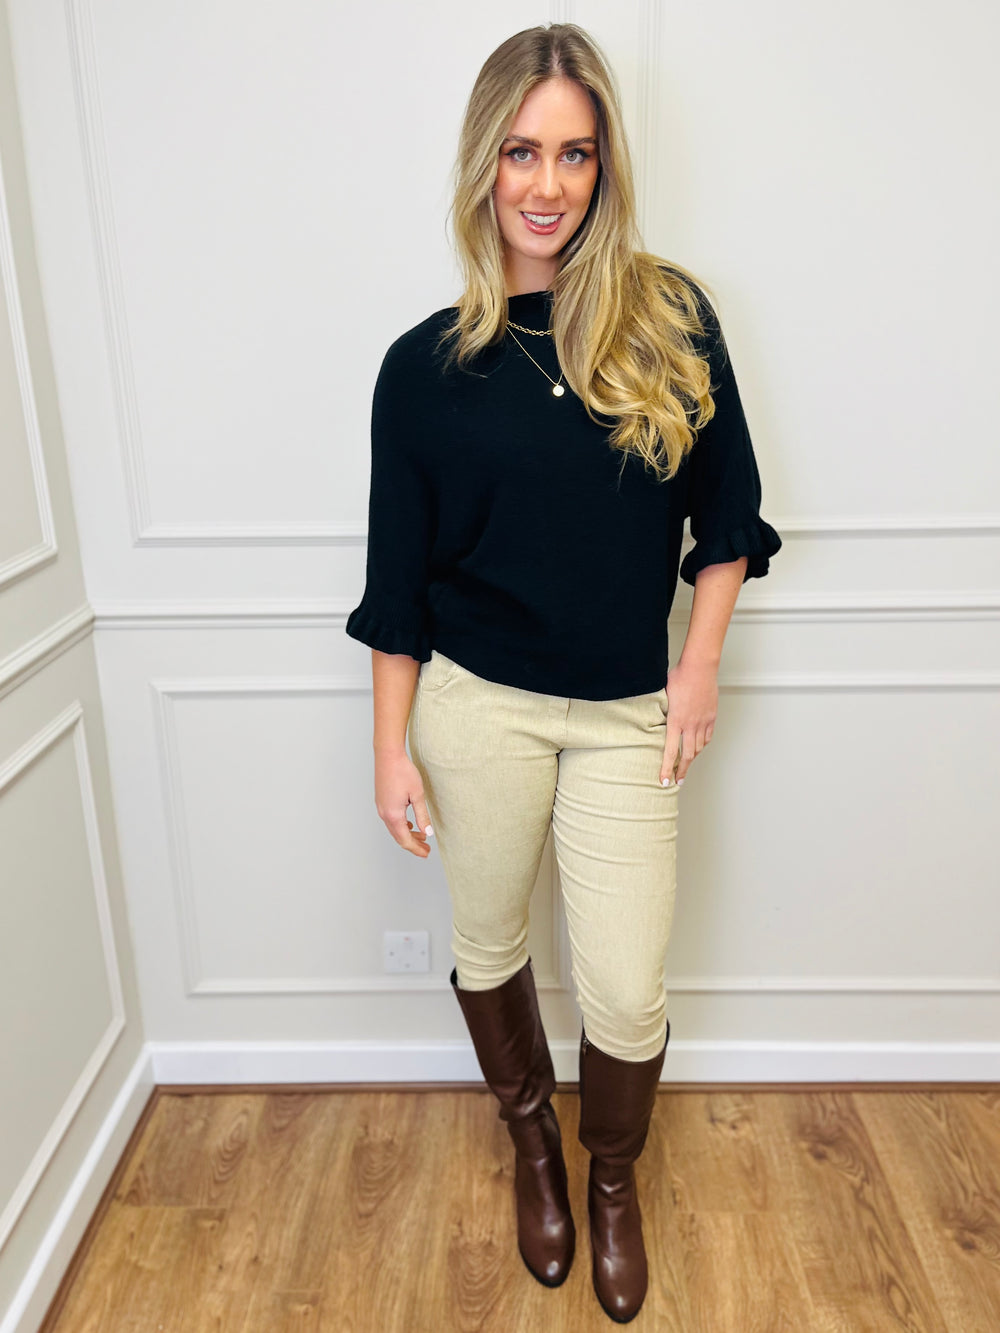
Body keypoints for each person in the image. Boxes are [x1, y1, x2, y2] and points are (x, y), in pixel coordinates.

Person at [346, 21, 781, 1325]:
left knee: (627, 988)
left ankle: (610, 1177)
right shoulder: (422, 370)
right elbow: (397, 587)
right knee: (488, 943)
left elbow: (729, 518)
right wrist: (390, 747)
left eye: (575, 154)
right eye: (523, 153)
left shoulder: (670, 319)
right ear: (484, 164)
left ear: (606, 166)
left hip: (628, 713)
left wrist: (697, 669)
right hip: (475, 709)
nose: (548, 184)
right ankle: (533, 1139)